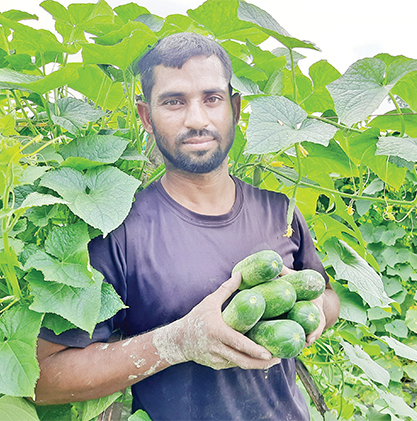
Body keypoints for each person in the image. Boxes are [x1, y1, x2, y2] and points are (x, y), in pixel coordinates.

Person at [34, 32, 340, 420]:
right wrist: (175, 343)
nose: (197, 120)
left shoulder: (279, 211)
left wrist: (312, 308)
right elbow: (43, 378)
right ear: (146, 116)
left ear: (235, 108)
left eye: (211, 99)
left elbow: (328, 296)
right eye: (174, 102)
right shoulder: (118, 231)